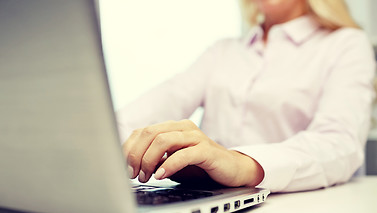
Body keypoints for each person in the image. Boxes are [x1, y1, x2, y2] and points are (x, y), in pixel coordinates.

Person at [117, 0, 376, 192]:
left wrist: (241, 164)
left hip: (290, 208)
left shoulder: (346, 44)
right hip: (205, 196)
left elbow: (339, 143)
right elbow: (144, 112)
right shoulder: (223, 52)